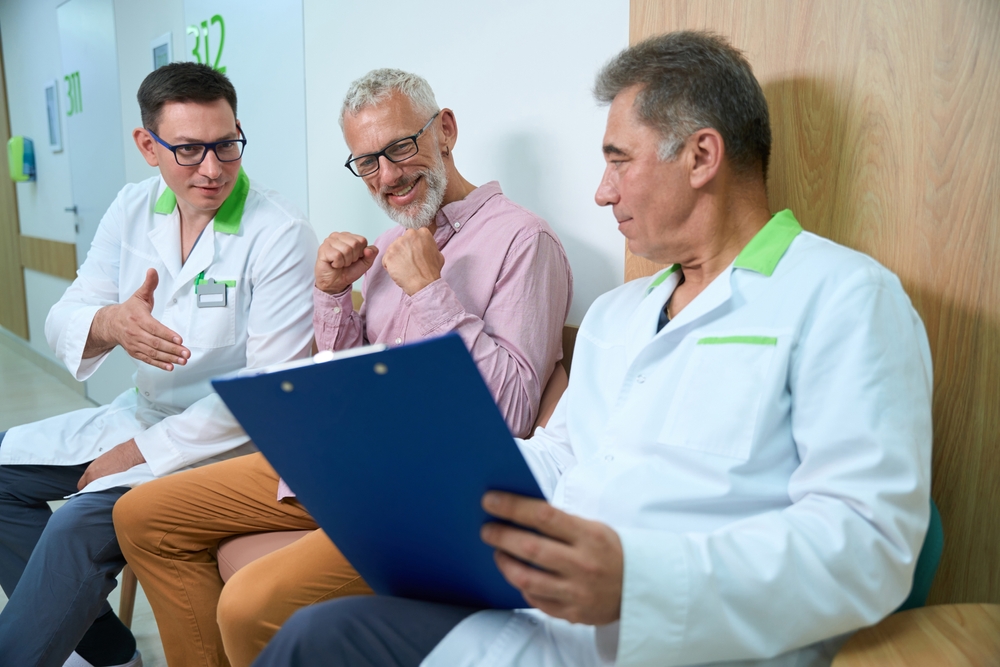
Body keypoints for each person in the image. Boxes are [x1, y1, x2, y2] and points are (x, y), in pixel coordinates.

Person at [254, 31, 933, 667]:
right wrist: (424, 471)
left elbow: (870, 544)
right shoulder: (620, 315)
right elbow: (566, 454)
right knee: (315, 634)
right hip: (550, 619)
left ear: (701, 156)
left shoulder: (844, 298)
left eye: (617, 161)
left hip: (683, 638)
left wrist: (641, 582)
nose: (601, 191)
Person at [113, 68, 573, 667]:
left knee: (248, 604)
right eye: (367, 162)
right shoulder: (388, 243)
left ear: (446, 132)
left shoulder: (522, 241)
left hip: (429, 488)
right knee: (141, 514)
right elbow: (340, 378)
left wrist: (432, 291)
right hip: (348, 456)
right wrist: (331, 293)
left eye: (401, 147)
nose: (388, 176)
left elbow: (510, 417)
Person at [0, 62, 317, 667]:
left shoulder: (277, 234)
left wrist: (139, 455)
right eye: (189, 149)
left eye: (226, 145)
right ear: (148, 146)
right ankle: (107, 651)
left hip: (226, 444)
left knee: (77, 530)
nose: (213, 168)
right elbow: (68, 311)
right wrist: (110, 323)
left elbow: (265, 393)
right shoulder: (132, 208)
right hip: (140, 416)